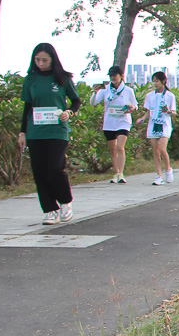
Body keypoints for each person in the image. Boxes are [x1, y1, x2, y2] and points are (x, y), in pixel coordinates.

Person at [18, 42, 81, 224]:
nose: (41, 63)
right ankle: (50, 210)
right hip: (35, 131)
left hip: (57, 130)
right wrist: (22, 131)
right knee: (40, 171)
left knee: (55, 168)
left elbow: (76, 101)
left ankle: (65, 201)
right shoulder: (30, 79)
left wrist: (68, 112)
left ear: (52, 59)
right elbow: (27, 107)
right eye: (37, 60)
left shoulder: (63, 78)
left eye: (44, 60)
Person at [91, 65, 138, 183]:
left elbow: (135, 105)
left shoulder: (128, 90)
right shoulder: (105, 90)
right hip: (109, 122)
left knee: (120, 147)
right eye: (111, 76)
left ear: (121, 76)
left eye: (115, 75)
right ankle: (116, 172)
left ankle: (121, 173)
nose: (113, 78)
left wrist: (131, 108)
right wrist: (94, 93)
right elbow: (93, 103)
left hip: (123, 121)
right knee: (112, 149)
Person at [139, 69, 179, 186]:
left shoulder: (170, 96)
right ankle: (158, 175)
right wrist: (142, 118)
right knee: (155, 151)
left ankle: (168, 169)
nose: (155, 83)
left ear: (163, 81)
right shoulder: (150, 96)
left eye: (157, 81)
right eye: (153, 81)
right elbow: (148, 111)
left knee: (162, 149)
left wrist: (168, 111)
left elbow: (174, 112)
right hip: (153, 124)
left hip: (165, 124)